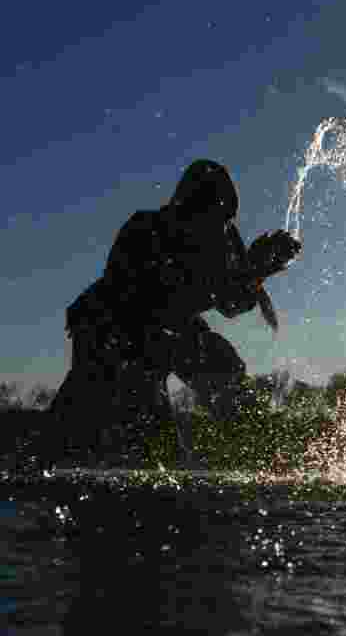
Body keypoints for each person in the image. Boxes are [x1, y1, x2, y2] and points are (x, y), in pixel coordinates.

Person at [48, 160, 301, 467]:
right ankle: (38, 465)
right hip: (113, 326)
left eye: (225, 218)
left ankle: (261, 456)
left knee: (223, 367)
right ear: (187, 206)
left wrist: (257, 271)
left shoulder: (224, 232)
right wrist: (249, 272)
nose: (221, 226)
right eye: (212, 214)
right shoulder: (146, 229)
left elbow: (230, 303)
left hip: (170, 326)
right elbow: (156, 300)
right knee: (126, 419)